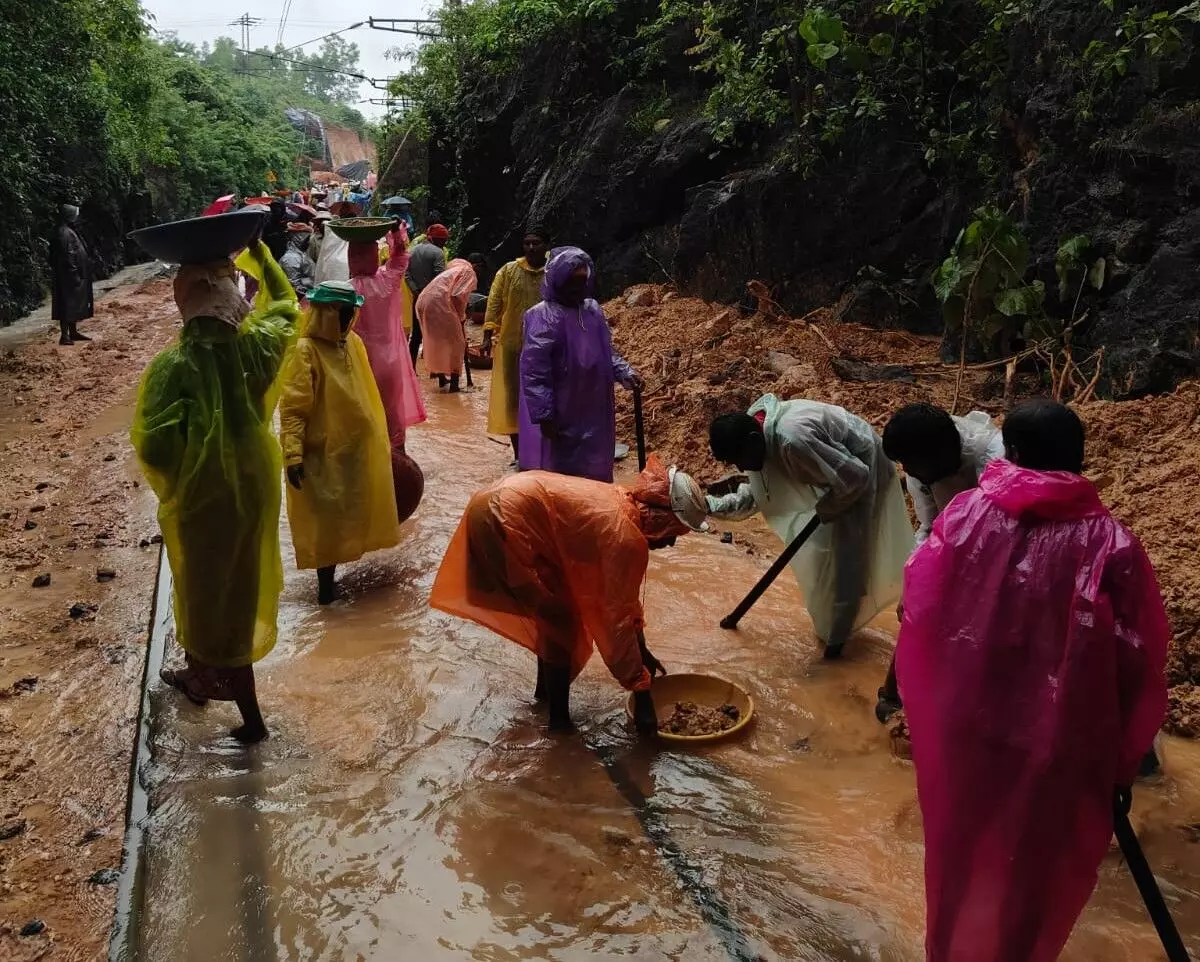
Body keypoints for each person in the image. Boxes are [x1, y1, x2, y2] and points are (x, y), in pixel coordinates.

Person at [896, 399, 1168, 962]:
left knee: (959, 848)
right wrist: (1121, 763)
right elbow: (1138, 662)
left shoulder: (964, 514)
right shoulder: (1111, 543)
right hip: (1054, 740)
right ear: (1083, 457)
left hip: (968, 726)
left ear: (1013, 453)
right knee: (1031, 865)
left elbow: (921, 613)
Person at [131, 240, 299, 744]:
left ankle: (245, 713)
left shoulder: (171, 367)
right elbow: (289, 309)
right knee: (240, 590)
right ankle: (203, 681)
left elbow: (155, 449)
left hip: (204, 496)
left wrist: (191, 452)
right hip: (253, 484)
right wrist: (264, 261)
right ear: (233, 296)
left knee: (202, 588)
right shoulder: (257, 347)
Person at [430, 455, 708, 732]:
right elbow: (615, 622)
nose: (671, 543)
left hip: (497, 502)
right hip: (502, 520)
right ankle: (558, 724)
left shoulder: (622, 503)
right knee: (562, 622)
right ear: (660, 516)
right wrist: (641, 689)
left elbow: (625, 603)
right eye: (674, 533)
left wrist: (642, 650)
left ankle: (545, 697)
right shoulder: (624, 539)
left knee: (556, 607)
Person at [707, 396, 913, 658]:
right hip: (837, 473)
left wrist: (825, 510)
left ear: (752, 440)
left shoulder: (794, 442)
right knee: (822, 556)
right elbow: (759, 493)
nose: (740, 467)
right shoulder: (753, 438)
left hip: (864, 469)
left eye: (738, 460)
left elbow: (855, 477)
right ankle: (833, 628)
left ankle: (835, 648)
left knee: (847, 561)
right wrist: (710, 505)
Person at [873, 404, 1004, 722]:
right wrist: (914, 582)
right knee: (918, 608)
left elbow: (1007, 523)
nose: (910, 472)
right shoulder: (921, 472)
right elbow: (930, 527)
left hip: (1001, 554)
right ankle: (894, 694)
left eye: (912, 463)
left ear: (943, 452)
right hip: (952, 547)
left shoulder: (995, 457)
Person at [279, 282, 401, 605]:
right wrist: (292, 454)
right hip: (322, 452)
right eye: (344, 313)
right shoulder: (305, 351)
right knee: (326, 521)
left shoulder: (353, 343)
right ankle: (325, 591)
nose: (349, 318)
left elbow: (366, 395)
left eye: (351, 312)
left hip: (354, 450)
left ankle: (342, 589)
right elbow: (293, 407)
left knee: (353, 510)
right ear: (327, 313)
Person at [518, 246, 642, 483]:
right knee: (560, 475)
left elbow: (606, 351)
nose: (578, 287)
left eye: (582, 280)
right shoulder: (542, 316)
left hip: (594, 406)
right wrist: (545, 415)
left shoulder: (592, 310)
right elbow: (534, 371)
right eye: (572, 281)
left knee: (594, 466)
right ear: (558, 279)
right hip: (561, 406)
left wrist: (625, 372)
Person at [348, 221, 427, 449]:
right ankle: (399, 465)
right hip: (389, 362)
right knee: (392, 417)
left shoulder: (345, 290)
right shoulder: (387, 282)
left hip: (358, 364)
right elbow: (401, 256)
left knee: (363, 418)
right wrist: (395, 232)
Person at [483, 229, 549, 458]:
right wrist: (488, 331)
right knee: (513, 400)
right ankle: (519, 454)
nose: (531, 248)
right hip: (512, 344)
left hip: (545, 347)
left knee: (543, 397)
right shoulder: (509, 270)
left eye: (536, 243)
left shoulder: (554, 270)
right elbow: (494, 300)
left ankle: (544, 451)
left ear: (546, 245)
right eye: (527, 243)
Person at [416, 258, 478, 392]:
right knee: (457, 343)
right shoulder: (468, 272)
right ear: (477, 266)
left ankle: (442, 378)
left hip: (423, 301)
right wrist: (461, 319)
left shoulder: (451, 271)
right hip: (439, 303)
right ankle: (454, 386)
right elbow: (457, 296)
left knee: (438, 341)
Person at [405, 223, 449, 364]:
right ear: (437, 239)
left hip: (417, 297)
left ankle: (411, 369)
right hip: (432, 300)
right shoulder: (438, 253)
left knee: (416, 336)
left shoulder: (412, 251)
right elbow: (440, 278)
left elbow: (407, 274)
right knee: (435, 336)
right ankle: (438, 373)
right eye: (443, 240)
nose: (444, 243)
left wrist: (415, 290)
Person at [51, 202, 94, 346]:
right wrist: (74, 274)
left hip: (73, 275)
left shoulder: (68, 230)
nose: (77, 217)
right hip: (69, 276)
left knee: (73, 304)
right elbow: (67, 255)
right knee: (67, 305)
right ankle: (64, 336)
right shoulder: (64, 232)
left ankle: (73, 333)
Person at [279, 224, 315, 298]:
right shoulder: (291, 258)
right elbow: (295, 285)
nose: (308, 242)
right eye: (306, 239)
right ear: (298, 239)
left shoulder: (301, 253)